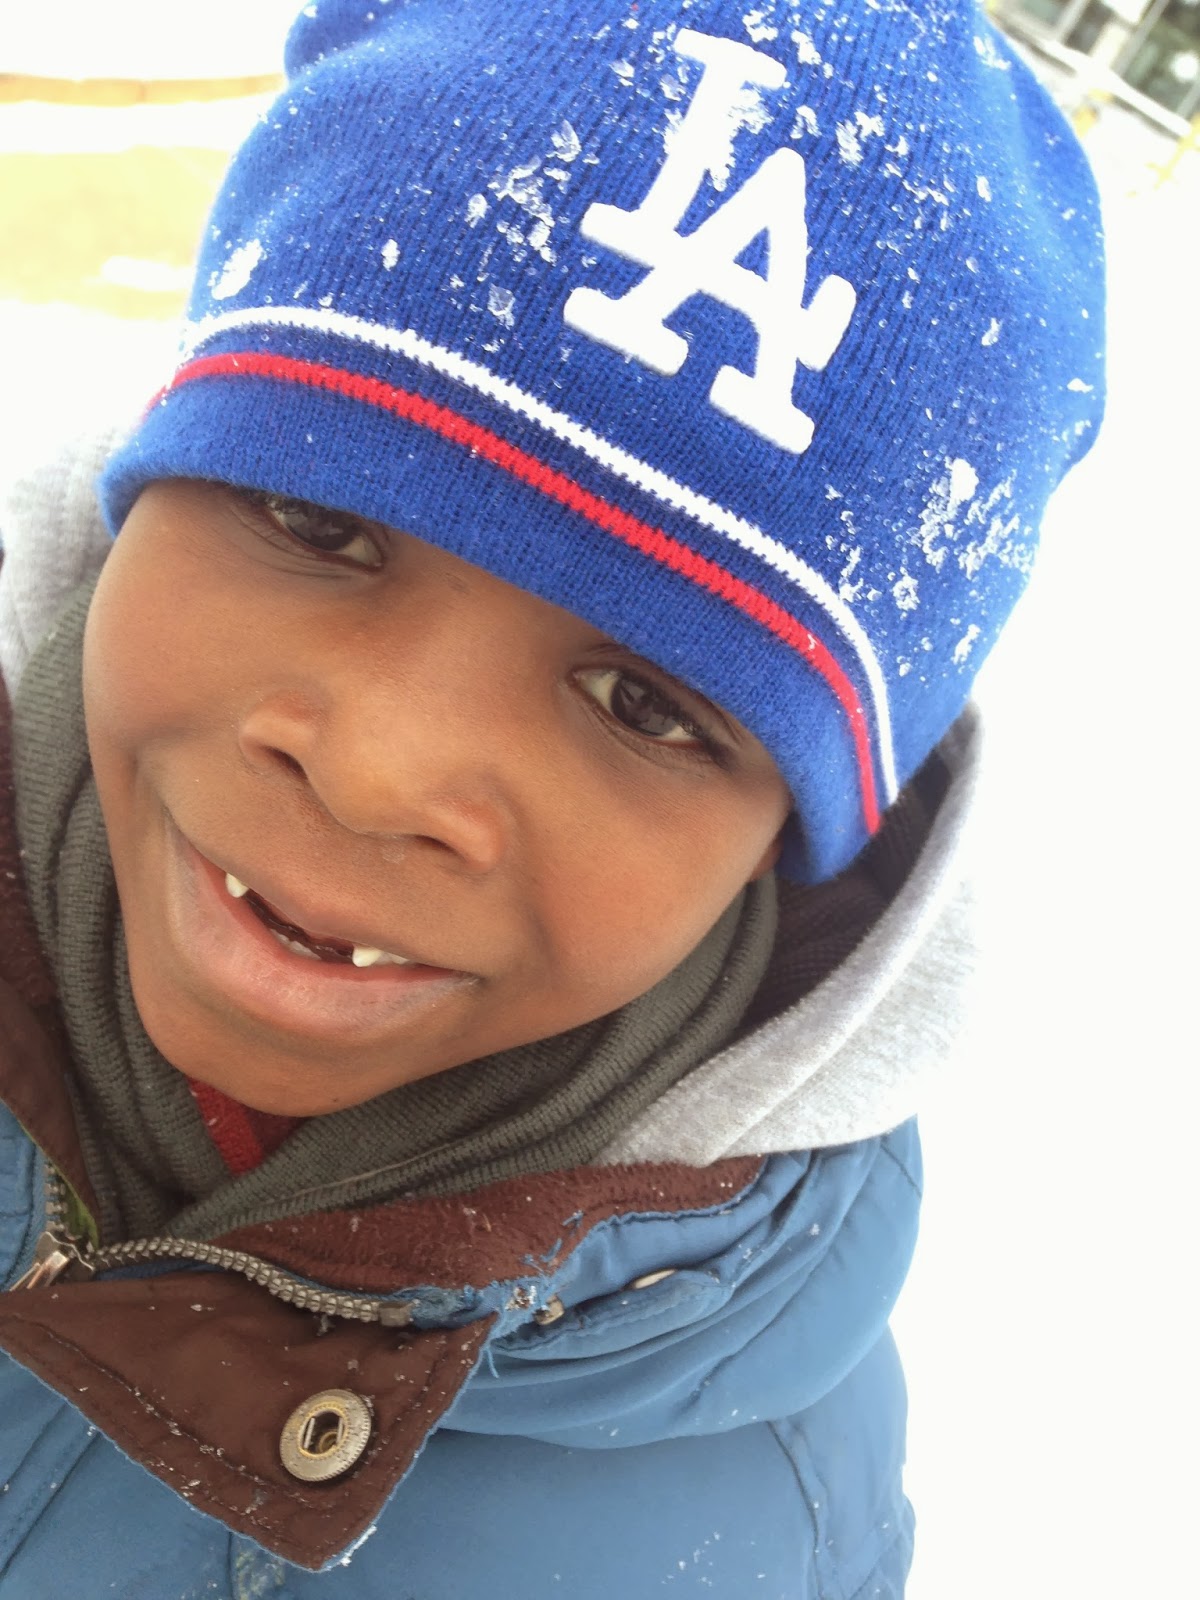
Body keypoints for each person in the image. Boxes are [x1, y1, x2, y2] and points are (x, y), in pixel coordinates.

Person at [0, 0, 1103, 1592]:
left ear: (779, 851)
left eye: (644, 703)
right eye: (315, 516)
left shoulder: (762, 1537)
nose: (377, 772)